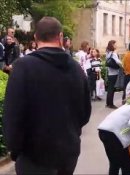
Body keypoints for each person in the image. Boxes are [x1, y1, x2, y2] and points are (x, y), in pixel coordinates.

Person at [3, 17, 91, 175]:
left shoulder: (23, 67)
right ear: (61, 37)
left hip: (33, 156)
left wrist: (15, 150)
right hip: (67, 154)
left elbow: (13, 115)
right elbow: (84, 113)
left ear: (35, 38)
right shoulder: (76, 69)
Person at [106, 40, 122, 109]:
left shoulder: (108, 52)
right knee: (112, 89)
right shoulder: (114, 53)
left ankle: (108, 103)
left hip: (110, 72)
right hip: (114, 73)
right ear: (112, 45)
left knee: (110, 88)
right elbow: (118, 62)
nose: (116, 45)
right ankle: (111, 104)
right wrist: (123, 66)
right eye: (115, 44)